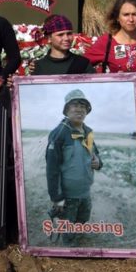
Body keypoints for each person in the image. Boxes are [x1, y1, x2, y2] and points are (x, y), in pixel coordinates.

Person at [84, 0, 136, 173]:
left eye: (135, 14)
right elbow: (81, 65)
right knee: (123, 149)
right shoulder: (107, 42)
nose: (131, 19)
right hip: (118, 107)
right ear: (117, 17)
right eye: (126, 14)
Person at [45, 90, 102, 243]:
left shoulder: (88, 132)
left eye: (83, 106)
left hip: (85, 193)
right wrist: (57, 198)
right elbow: (52, 169)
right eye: (74, 105)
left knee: (82, 222)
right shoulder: (59, 133)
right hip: (68, 196)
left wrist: (98, 162)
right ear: (66, 110)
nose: (79, 109)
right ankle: (67, 257)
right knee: (68, 233)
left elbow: (96, 155)